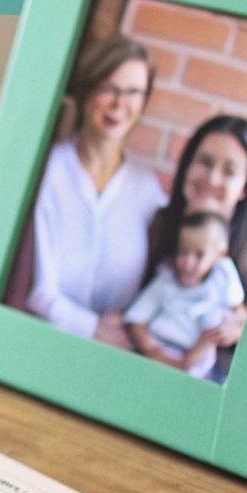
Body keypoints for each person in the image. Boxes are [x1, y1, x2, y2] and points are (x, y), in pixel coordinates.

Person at [22, 36, 169, 341]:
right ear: (87, 90)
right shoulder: (48, 170)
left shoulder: (149, 191)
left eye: (133, 93)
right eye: (108, 88)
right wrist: (95, 331)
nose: (119, 104)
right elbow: (40, 293)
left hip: (115, 352)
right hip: (41, 338)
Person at [135, 115, 247, 376]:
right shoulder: (153, 224)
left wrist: (243, 327)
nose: (213, 178)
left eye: (229, 171)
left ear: (244, 188)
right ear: (187, 166)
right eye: (205, 162)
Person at [123, 211, 245, 380]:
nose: (188, 263)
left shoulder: (219, 287)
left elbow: (236, 311)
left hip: (194, 365)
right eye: (183, 252)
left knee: (218, 317)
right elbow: (136, 320)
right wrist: (154, 352)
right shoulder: (166, 281)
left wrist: (186, 363)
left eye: (199, 254)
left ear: (219, 256)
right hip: (155, 350)